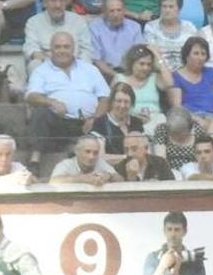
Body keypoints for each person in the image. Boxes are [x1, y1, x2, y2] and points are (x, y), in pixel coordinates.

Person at [24, 32, 110, 173]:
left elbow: (105, 98)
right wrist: (51, 102)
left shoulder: (90, 69)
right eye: (58, 47)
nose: (62, 51)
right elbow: (31, 96)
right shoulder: (41, 71)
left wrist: (95, 118)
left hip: (89, 123)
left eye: (66, 47)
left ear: (73, 49)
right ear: (50, 49)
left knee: (106, 119)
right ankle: (34, 160)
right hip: (59, 124)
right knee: (40, 113)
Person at [24, 0, 93, 74]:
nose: (58, 5)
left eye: (61, 1)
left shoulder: (78, 21)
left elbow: (86, 50)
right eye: (53, 1)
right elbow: (31, 48)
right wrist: (53, 64)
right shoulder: (33, 22)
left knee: (88, 65)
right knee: (34, 65)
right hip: (47, 66)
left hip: (74, 67)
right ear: (45, 2)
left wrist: (73, 66)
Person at [89, 0, 143, 81]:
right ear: (105, 12)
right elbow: (97, 60)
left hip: (130, 74)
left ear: (124, 10)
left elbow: (139, 57)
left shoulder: (134, 28)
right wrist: (117, 77)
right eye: (112, 11)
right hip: (104, 75)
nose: (116, 14)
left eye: (119, 10)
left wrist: (127, 78)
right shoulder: (95, 28)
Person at [116, 44, 174, 125]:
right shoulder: (120, 79)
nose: (145, 68)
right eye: (141, 64)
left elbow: (170, 83)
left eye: (149, 64)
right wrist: (133, 118)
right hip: (129, 121)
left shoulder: (154, 77)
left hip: (155, 121)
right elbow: (112, 107)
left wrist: (157, 56)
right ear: (132, 63)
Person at [143, 0, 199, 74]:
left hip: (187, 73)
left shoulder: (189, 27)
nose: (167, 10)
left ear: (179, 8)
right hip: (160, 73)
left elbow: (195, 54)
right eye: (164, 6)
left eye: (171, 6)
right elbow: (153, 56)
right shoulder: (151, 27)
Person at [89, 80, 145, 162]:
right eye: (119, 101)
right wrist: (127, 158)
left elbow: (144, 151)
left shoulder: (137, 122)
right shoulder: (100, 123)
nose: (122, 106)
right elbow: (101, 157)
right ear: (111, 102)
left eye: (126, 102)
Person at [144, 211, 208, 275]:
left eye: (177, 230)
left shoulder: (196, 262)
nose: (173, 234)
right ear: (164, 231)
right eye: (169, 229)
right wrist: (162, 266)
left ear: (184, 231)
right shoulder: (153, 258)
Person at [172, 36, 213, 124]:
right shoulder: (176, 76)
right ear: (186, 55)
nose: (200, 58)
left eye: (203, 54)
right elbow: (177, 107)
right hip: (189, 119)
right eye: (196, 53)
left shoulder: (212, 73)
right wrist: (197, 119)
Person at [49, 133, 123, 184]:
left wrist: (108, 176)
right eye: (87, 152)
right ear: (77, 151)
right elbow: (53, 181)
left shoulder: (100, 162)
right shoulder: (66, 164)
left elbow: (121, 180)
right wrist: (83, 179)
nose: (91, 156)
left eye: (95, 153)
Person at [152, 106, 208, 172]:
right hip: (169, 172)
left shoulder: (199, 132)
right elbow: (161, 160)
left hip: (193, 171)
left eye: (181, 133)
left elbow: (204, 159)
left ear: (189, 128)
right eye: (174, 133)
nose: (177, 136)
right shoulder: (162, 129)